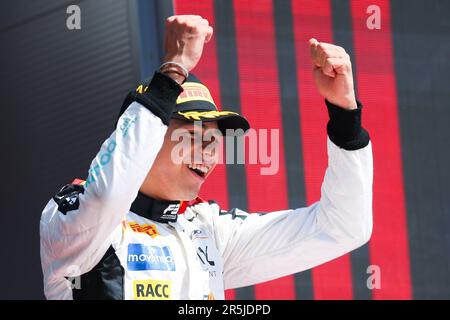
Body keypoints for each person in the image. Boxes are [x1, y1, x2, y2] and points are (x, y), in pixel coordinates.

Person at [40, 15, 373, 300]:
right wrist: (173, 70)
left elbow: (342, 228)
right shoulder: (73, 214)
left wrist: (345, 117)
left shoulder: (208, 229)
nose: (208, 151)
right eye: (191, 135)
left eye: (213, 139)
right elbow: (109, 194)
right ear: (148, 135)